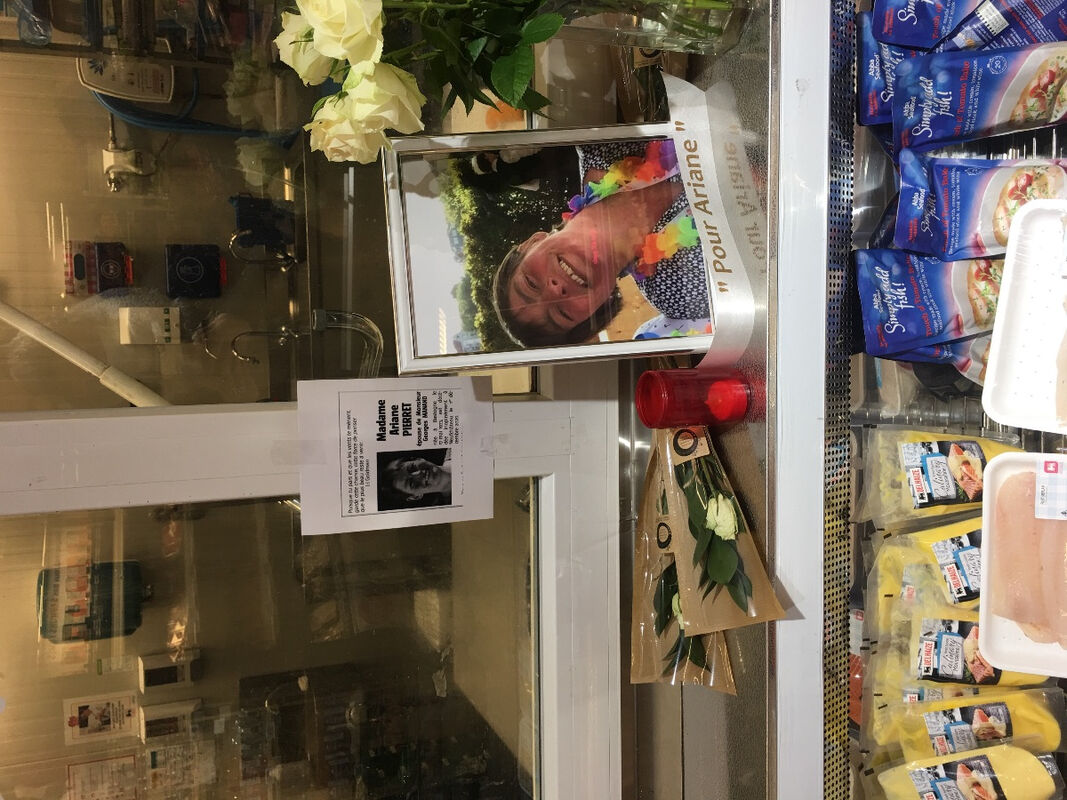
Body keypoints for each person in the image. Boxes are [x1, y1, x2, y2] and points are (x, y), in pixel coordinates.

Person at [490, 139, 711, 347]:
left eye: (530, 283)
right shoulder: (680, 297)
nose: (555, 291)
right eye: (562, 314)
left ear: (532, 242)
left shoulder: (600, 142)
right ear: (596, 311)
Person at [377, 449, 452, 510]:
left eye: (411, 468)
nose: (419, 473)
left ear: (419, 459)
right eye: (411, 483)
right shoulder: (450, 510)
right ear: (415, 496)